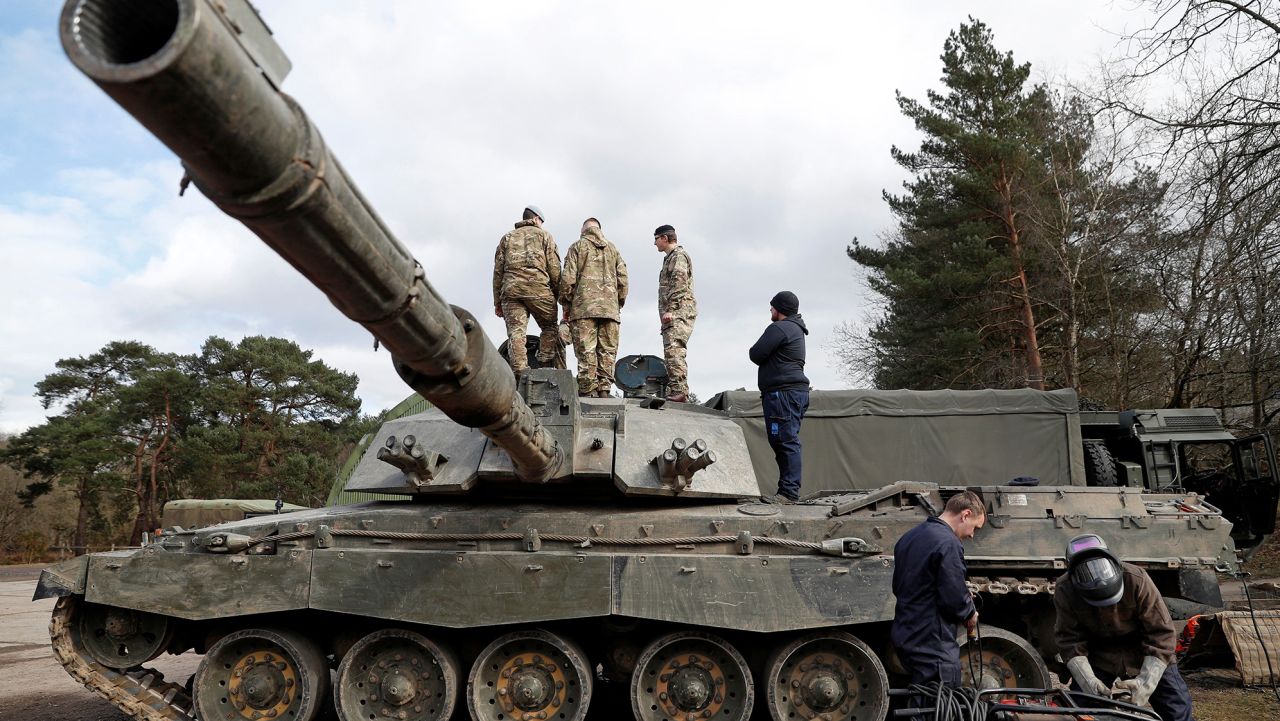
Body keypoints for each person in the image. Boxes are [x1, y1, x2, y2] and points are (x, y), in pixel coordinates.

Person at [1055, 534, 1191, 721]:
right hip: (1100, 655)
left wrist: (1145, 683)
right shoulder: (1064, 589)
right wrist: (1088, 680)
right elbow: (1069, 639)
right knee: (1080, 709)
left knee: (1177, 710)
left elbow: (1161, 634)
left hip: (1147, 651)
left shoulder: (1137, 579)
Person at [891, 491, 986, 691]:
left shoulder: (909, 537)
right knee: (940, 701)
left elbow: (899, 586)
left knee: (920, 698)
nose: (971, 534)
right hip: (932, 640)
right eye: (975, 527)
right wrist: (970, 612)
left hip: (906, 632)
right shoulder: (948, 543)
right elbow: (954, 598)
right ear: (965, 514)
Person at [749, 291, 810, 503]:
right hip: (791, 393)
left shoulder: (781, 328)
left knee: (785, 441)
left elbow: (755, 353)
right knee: (783, 440)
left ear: (780, 309)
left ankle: (788, 493)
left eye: (772, 306)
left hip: (783, 394)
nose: (770, 310)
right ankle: (787, 491)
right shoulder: (796, 329)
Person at [560, 218, 629, 397]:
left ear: (583, 231)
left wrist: (567, 303)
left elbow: (567, 280)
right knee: (607, 350)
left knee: (586, 350)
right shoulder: (613, 249)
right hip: (610, 309)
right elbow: (623, 279)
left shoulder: (577, 247)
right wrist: (617, 302)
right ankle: (605, 389)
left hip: (583, 308)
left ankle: (588, 390)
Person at [493, 205, 562, 374]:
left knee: (516, 334)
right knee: (549, 327)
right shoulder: (545, 236)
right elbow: (554, 269)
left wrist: (497, 302)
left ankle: (520, 373)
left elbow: (498, 272)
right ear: (537, 218)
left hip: (511, 291)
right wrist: (559, 296)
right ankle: (545, 367)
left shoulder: (507, 238)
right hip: (538, 290)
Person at [654, 224, 696, 402]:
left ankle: (679, 391)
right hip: (675, 312)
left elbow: (679, 283)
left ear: (664, 238)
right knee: (672, 350)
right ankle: (676, 390)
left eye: (656, 239)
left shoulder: (678, 256)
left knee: (674, 350)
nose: (655, 243)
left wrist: (670, 310)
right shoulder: (671, 257)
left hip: (678, 312)